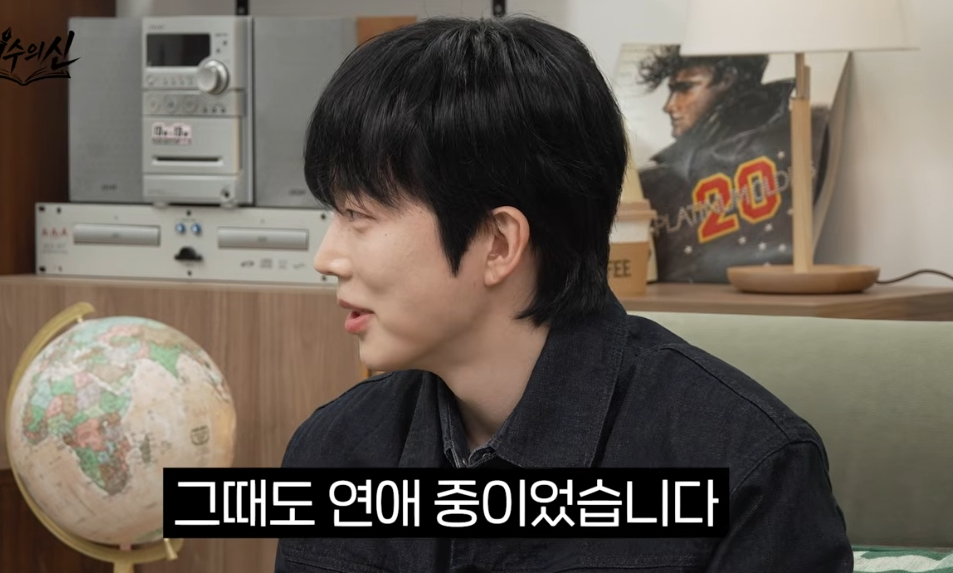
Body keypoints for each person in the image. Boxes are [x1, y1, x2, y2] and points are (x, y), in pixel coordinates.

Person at [275, 15, 853, 572]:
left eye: (358, 215)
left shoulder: (749, 471)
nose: (326, 259)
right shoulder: (333, 448)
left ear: (498, 243)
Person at [635, 45, 830, 283]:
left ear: (727, 79)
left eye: (685, 88)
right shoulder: (656, 179)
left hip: (773, 284)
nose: (669, 106)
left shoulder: (800, 133)